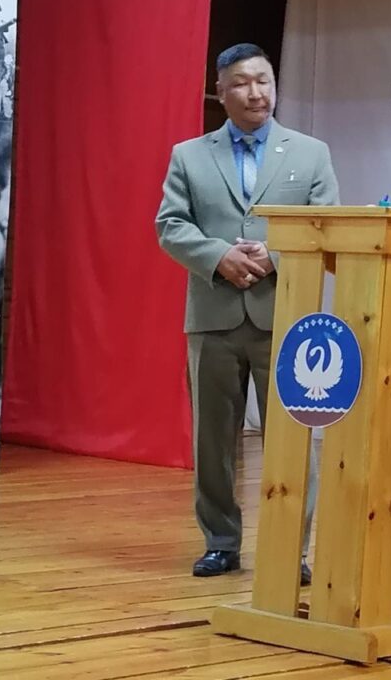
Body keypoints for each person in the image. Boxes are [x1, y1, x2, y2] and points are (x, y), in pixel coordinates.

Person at [156, 43, 340, 580]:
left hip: (288, 315)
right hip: (212, 316)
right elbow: (170, 225)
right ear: (221, 92)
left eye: (264, 80)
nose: (255, 92)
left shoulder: (311, 153)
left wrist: (273, 255)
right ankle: (220, 542)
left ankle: (291, 549)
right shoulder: (189, 155)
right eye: (241, 82)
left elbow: (328, 225)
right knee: (212, 439)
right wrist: (219, 257)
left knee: (294, 439)